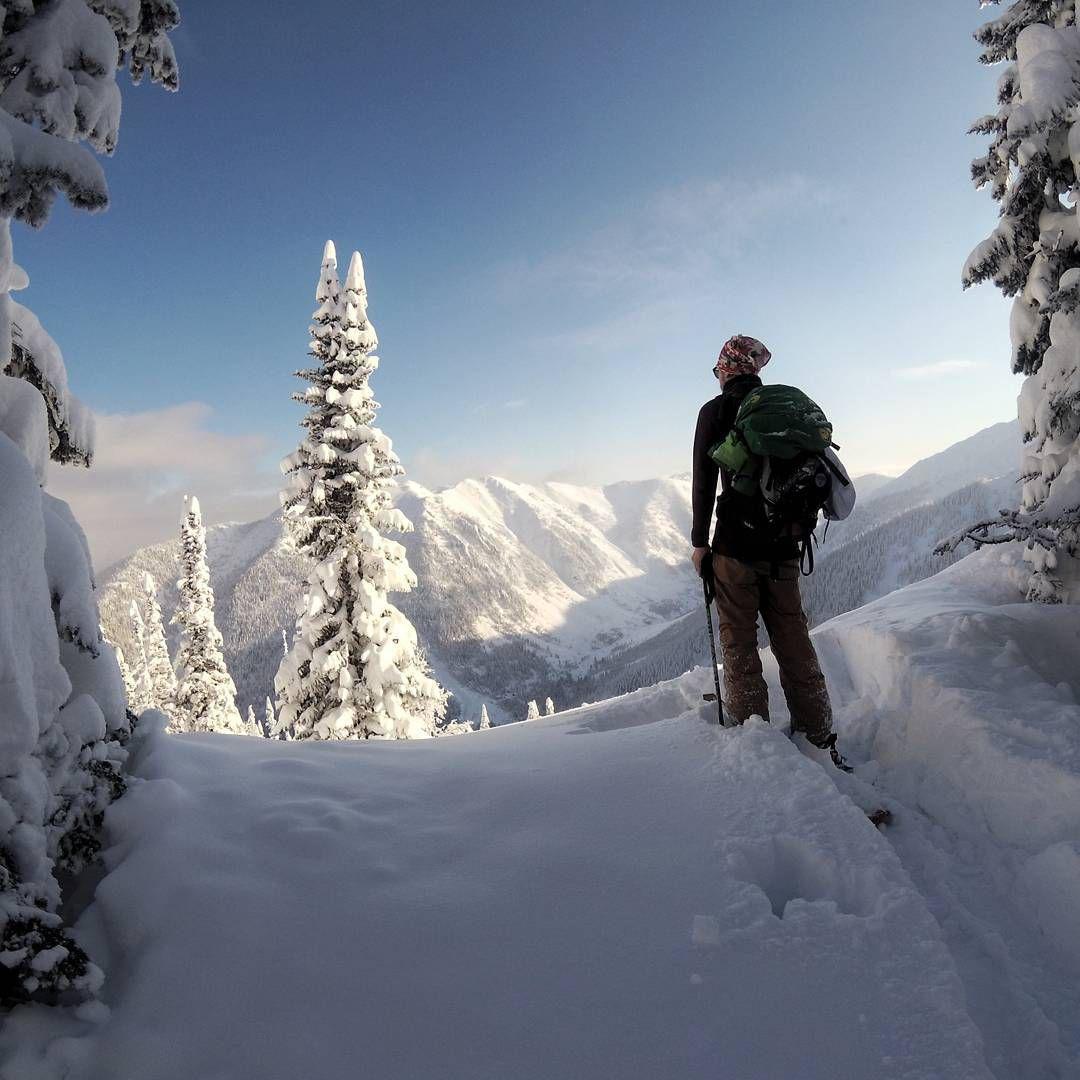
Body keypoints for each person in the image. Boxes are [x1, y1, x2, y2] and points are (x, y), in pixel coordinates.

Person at [690, 334, 850, 771]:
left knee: (739, 643)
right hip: (784, 546)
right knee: (793, 638)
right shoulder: (783, 412)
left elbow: (703, 484)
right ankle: (817, 733)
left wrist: (699, 544)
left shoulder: (715, 411)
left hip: (734, 547)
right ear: (756, 369)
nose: (718, 375)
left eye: (718, 368)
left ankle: (753, 739)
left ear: (727, 368)